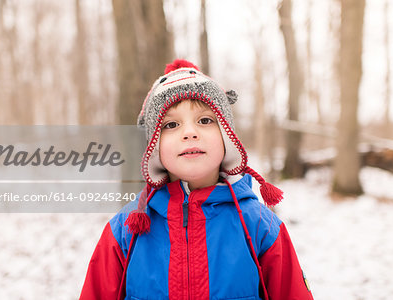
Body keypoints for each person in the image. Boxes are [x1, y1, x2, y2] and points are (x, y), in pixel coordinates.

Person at [80, 59, 314, 300]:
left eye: (205, 120)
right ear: (153, 146)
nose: (189, 132)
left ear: (226, 136)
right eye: (171, 124)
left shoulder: (259, 225)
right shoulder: (125, 230)